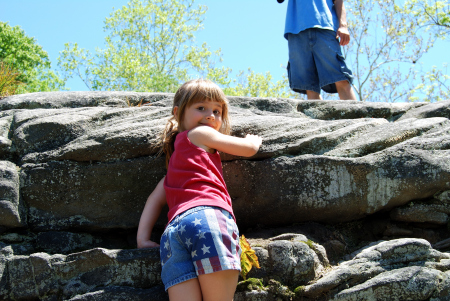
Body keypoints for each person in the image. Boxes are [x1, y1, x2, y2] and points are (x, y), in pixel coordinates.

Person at [136, 79, 263, 301]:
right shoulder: (199, 134)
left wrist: (143, 239)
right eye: (201, 107)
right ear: (178, 113)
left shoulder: (172, 168)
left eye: (217, 110)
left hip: (173, 234)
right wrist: (253, 141)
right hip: (208, 220)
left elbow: (154, 200)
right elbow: (248, 150)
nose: (210, 116)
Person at [279, 0, 357, 100]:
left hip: (324, 25)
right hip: (296, 30)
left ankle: (357, 115)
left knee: (340, 78)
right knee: (309, 87)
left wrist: (343, 25)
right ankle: (317, 116)